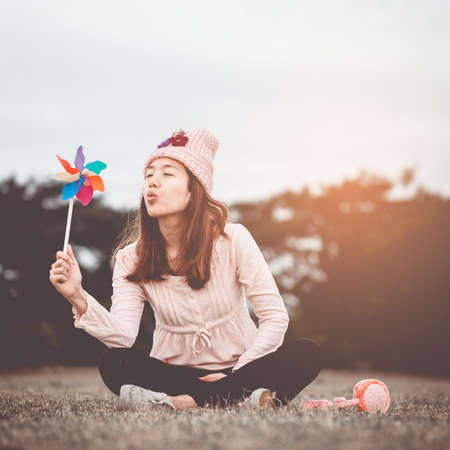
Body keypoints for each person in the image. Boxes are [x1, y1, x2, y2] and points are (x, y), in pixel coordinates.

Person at [49, 128, 323, 411]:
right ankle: (243, 399)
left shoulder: (234, 239)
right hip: (176, 372)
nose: (153, 182)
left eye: (167, 174)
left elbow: (275, 317)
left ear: (195, 191)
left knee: (306, 353)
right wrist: (77, 296)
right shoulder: (130, 258)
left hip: (242, 367)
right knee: (114, 362)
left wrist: (238, 372)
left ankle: (185, 403)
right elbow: (122, 337)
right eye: (149, 175)